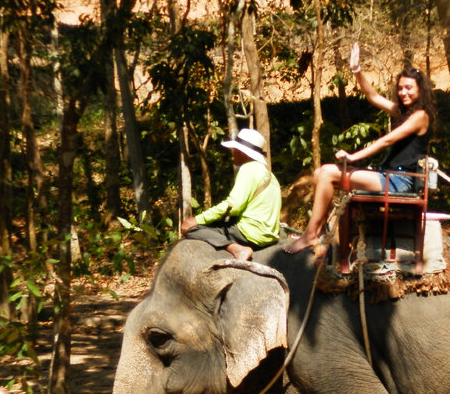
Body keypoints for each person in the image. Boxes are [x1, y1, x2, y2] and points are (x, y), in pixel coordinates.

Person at [285, 43, 436, 254]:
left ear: (420, 89)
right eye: (400, 88)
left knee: (328, 171)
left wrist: (352, 157)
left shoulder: (420, 116)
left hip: (399, 181)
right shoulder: (404, 113)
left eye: (409, 88)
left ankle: (310, 236)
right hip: (388, 176)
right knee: (321, 173)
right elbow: (373, 97)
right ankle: (316, 231)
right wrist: (356, 70)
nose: (403, 92)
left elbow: (386, 141)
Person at [182, 127, 282, 261]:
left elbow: (233, 205)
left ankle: (237, 249)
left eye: (236, 150)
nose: (233, 153)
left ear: (243, 152)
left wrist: (197, 219)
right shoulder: (270, 175)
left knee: (194, 230)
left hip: (249, 233)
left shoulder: (248, 169)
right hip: (268, 235)